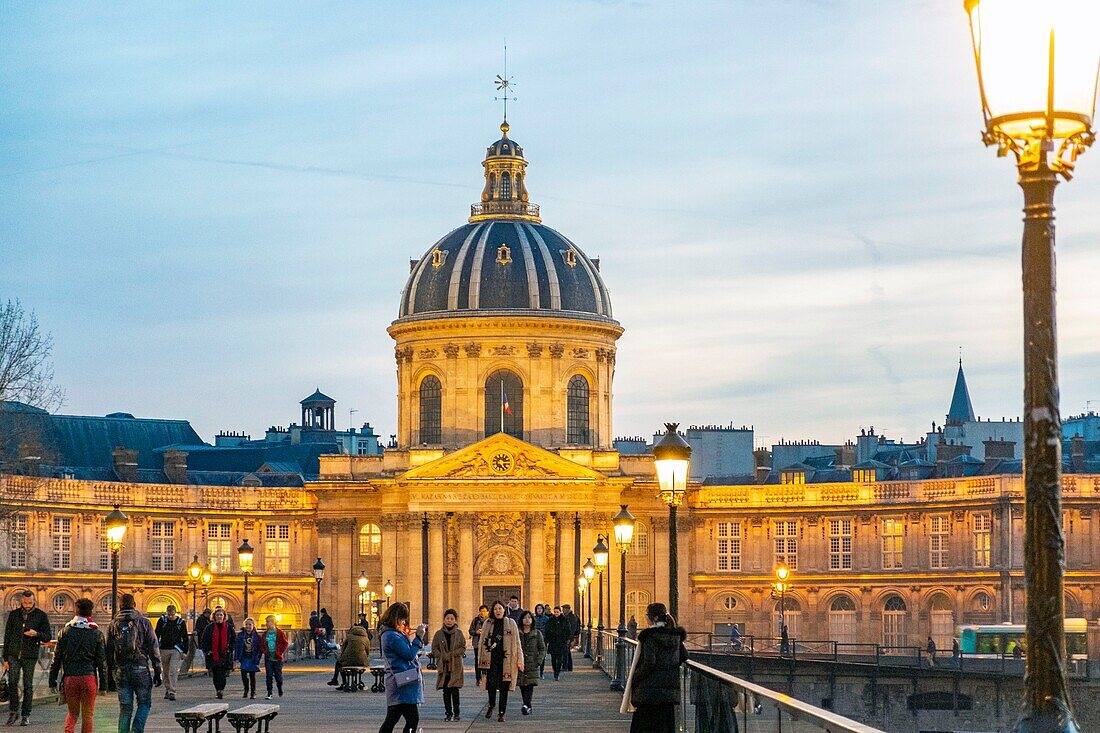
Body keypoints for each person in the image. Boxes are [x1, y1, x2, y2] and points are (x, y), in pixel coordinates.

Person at [621, 602, 687, 733]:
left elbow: (649, 663)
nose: (646, 618)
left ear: (654, 618)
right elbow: (684, 655)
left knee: (645, 726)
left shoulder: (649, 636)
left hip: (649, 692)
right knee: (665, 725)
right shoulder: (675, 635)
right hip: (668, 691)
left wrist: (635, 677)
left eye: (647, 615)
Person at [106, 593, 162, 733]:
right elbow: (154, 647)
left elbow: (108, 650)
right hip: (141, 668)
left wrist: (110, 673)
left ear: (120, 606)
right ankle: (136, 730)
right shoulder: (144, 622)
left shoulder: (113, 624)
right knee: (144, 703)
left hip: (121, 670)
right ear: (134, 604)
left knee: (125, 707)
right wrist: (157, 670)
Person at [49, 598, 106, 733]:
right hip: (89, 678)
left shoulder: (65, 632)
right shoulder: (97, 633)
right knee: (88, 715)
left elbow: (56, 659)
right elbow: (101, 662)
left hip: (70, 678)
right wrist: (104, 685)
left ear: (76, 611)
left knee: (73, 713)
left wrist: (52, 681)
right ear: (91, 612)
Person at [3, 590, 53, 726]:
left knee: (28, 685)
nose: (27, 605)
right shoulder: (13, 615)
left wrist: (36, 634)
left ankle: (26, 714)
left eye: (29, 603)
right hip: (13, 654)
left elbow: (48, 635)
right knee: (12, 683)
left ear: (34, 601)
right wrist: (5, 658)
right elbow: (7, 636)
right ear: (21, 601)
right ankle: (13, 711)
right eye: (25, 603)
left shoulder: (41, 615)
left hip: (30, 655)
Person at [377, 603, 425, 733]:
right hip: (401, 682)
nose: (404, 622)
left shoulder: (392, 633)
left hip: (401, 681)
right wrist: (419, 638)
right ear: (396, 618)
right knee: (411, 719)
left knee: (393, 718)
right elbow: (409, 655)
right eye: (402, 619)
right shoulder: (391, 636)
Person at [479, 601, 522, 722]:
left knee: (504, 687)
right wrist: (480, 660)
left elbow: (517, 642)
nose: (498, 611)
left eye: (500, 608)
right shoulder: (487, 623)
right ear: (492, 611)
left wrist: (520, 660)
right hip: (491, 659)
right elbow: (482, 641)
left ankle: (501, 713)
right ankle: (491, 704)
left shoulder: (511, 623)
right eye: (496, 609)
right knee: (491, 684)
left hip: (506, 660)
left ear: (504, 610)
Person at [430, 609, 466, 722]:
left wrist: (451, 654)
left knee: (455, 689)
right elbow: (434, 647)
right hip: (444, 665)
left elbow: (463, 647)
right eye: (447, 618)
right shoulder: (438, 634)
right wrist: (440, 656)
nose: (449, 621)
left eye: (452, 619)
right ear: (444, 619)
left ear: (455, 621)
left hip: (456, 665)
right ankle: (448, 713)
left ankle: (457, 713)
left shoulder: (459, 633)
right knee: (446, 690)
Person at [154, 605, 188, 701]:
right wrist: (156, 648)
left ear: (175, 613)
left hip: (176, 649)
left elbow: (185, 637)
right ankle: (168, 688)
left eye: (172, 615)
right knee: (165, 671)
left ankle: (172, 691)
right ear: (166, 613)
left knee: (173, 670)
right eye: (169, 615)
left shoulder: (180, 622)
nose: (170, 617)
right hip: (164, 648)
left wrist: (184, 651)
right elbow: (157, 634)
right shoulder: (162, 621)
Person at [199, 608, 234, 699]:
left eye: (221, 615)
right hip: (213, 654)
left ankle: (221, 690)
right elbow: (204, 641)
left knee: (222, 673)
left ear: (224, 616)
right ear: (214, 616)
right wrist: (207, 651)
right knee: (215, 673)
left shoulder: (229, 627)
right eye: (217, 615)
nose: (219, 617)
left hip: (224, 654)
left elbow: (234, 640)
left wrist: (230, 649)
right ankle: (217, 689)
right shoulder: (209, 627)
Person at [517, 611, 546, 716]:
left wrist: (539, 660)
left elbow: (542, 648)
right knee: (522, 685)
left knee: (530, 685)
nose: (527, 619)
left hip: (532, 663)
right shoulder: (517, 633)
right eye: (524, 618)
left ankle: (526, 705)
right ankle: (527, 706)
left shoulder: (537, 633)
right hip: (520, 663)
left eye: (529, 617)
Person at [329, 624, 371, 690]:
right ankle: (358, 681)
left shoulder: (349, 637)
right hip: (361, 662)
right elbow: (368, 651)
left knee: (339, 663)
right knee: (357, 666)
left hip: (347, 660)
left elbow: (343, 649)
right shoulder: (366, 639)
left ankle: (342, 682)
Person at [234, 618, 263, 699]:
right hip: (244, 657)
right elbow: (237, 647)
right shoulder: (240, 635)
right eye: (246, 624)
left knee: (252, 676)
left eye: (250, 624)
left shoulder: (257, 636)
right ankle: (246, 689)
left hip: (252, 658)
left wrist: (258, 658)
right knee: (243, 675)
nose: (248, 626)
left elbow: (259, 648)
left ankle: (253, 692)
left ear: (253, 625)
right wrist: (236, 657)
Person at [260, 616, 288, 700]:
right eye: (266, 622)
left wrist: (279, 652)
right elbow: (262, 645)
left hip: (278, 658)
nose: (267, 624)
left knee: (278, 675)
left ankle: (279, 687)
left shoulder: (280, 632)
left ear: (273, 622)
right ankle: (269, 692)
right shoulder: (265, 634)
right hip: (268, 657)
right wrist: (265, 651)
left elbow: (285, 643)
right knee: (268, 675)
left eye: (268, 622)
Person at [544, 606, 571, 681]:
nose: (556, 613)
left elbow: (568, 630)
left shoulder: (564, 620)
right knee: (553, 658)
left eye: (557, 612)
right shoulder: (550, 620)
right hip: (553, 642)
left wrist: (566, 639)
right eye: (555, 612)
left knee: (559, 659)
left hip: (561, 642)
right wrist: (548, 639)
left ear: (560, 612)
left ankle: (557, 673)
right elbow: (547, 630)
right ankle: (554, 670)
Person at [468, 605, 489, 685]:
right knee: (477, 661)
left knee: (486, 661)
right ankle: (478, 678)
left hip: (486, 644)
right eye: (481, 611)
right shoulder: (475, 620)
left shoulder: (490, 621)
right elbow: (470, 631)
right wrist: (476, 632)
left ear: (488, 612)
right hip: (477, 644)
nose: (483, 613)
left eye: (484, 611)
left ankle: (485, 678)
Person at [532, 605, 549, 679]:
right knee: (534, 655)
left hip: (543, 639)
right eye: (538, 608)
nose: (539, 610)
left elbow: (548, 629)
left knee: (542, 656)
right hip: (534, 639)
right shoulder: (533, 618)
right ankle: (535, 671)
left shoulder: (546, 619)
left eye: (540, 608)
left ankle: (541, 672)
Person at [562, 604, 579, 671]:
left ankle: (566, 666)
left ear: (567, 609)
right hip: (567, 637)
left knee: (566, 652)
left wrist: (570, 638)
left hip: (568, 637)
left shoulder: (571, 617)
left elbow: (572, 629)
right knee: (567, 652)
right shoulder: (568, 616)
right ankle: (568, 667)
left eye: (564, 609)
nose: (563, 610)